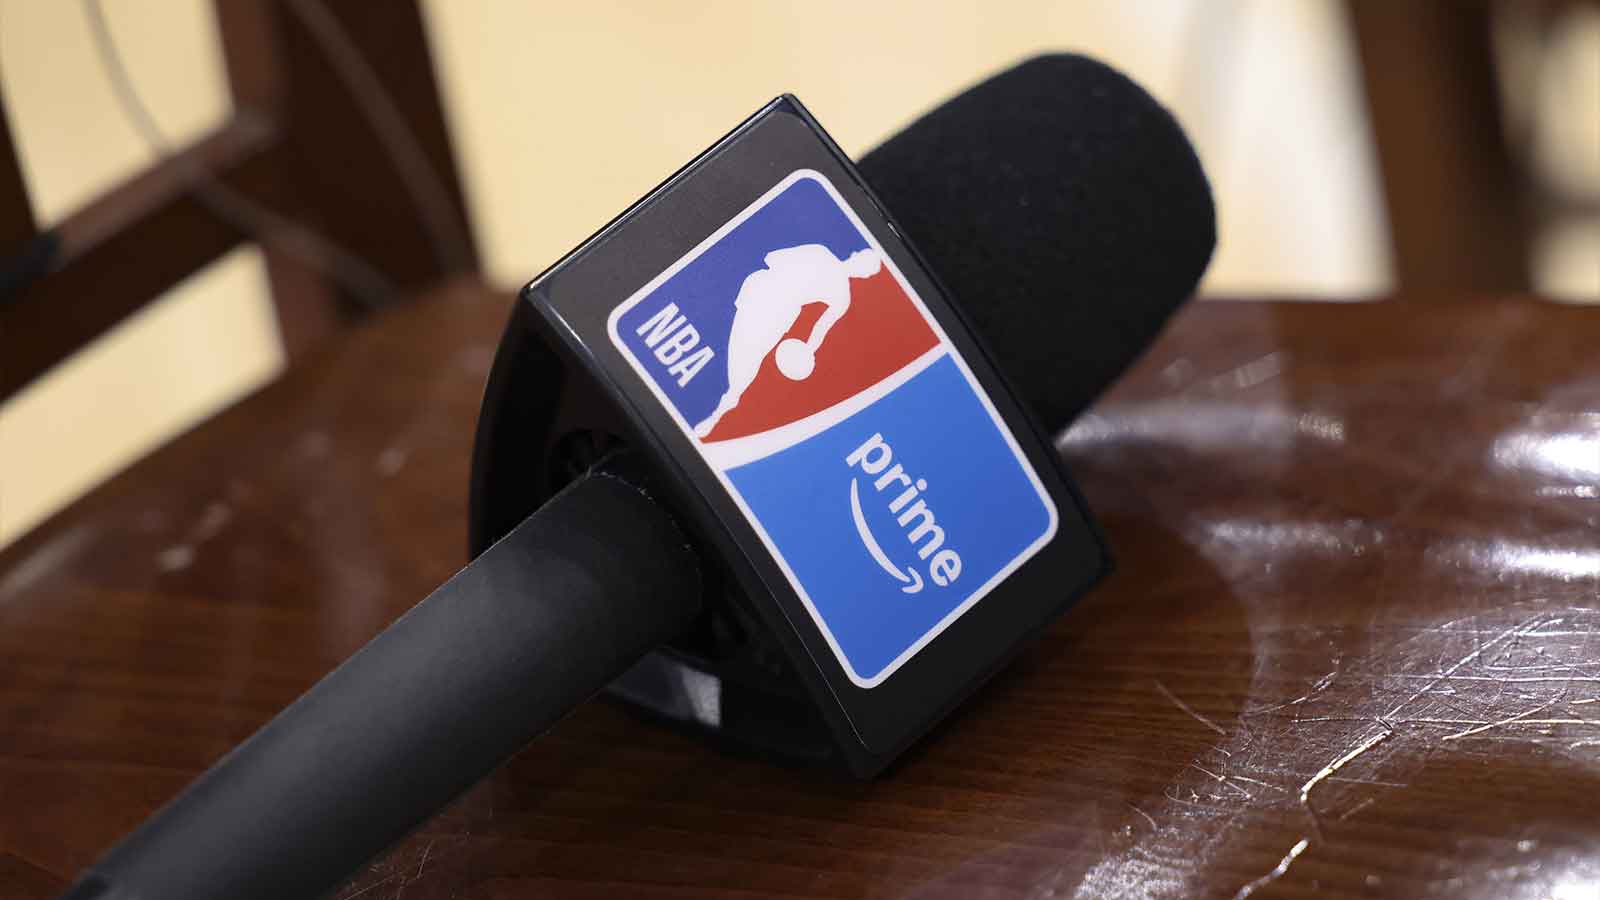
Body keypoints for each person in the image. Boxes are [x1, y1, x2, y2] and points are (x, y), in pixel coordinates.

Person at [694, 244, 881, 437]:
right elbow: (772, 257)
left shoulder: (841, 295)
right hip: (762, 292)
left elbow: (819, 330)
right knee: (738, 347)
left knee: (750, 359)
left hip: (780, 312)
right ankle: (723, 398)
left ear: (864, 275)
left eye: (865, 268)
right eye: (863, 260)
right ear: (856, 253)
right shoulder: (820, 252)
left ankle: (721, 408)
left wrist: (806, 351)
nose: (860, 266)